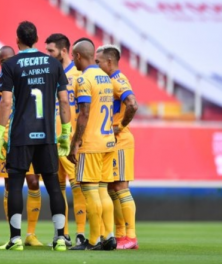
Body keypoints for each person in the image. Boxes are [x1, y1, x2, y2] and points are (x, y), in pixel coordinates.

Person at [0, 21, 71, 251]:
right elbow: (65, 100)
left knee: (16, 186)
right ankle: (60, 238)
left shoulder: (10, 64)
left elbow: (6, 101)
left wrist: (0, 132)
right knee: (54, 187)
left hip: (20, 135)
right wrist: (66, 131)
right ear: (37, 39)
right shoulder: (53, 63)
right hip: (47, 135)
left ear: (17, 39)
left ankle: (16, 239)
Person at [0, 46, 44, 246]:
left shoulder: (27, 75)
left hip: (29, 134)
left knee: (34, 181)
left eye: (10, 59)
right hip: (8, 137)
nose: (7, 62)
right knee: (10, 183)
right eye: (3, 60)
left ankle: (31, 234)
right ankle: (14, 234)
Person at [67, 40, 116, 250]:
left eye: (73, 56)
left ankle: (94, 240)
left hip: (92, 143)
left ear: (78, 56)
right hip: (108, 141)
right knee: (103, 190)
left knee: (89, 190)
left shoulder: (84, 79)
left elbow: (84, 113)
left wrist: (75, 143)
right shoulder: (106, 78)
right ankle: (109, 235)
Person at [45, 33, 87, 247]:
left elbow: (84, 110)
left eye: (51, 51)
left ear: (63, 50)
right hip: (50, 139)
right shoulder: (50, 73)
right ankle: (63, 233)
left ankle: (80, 233)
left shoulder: (79, 75)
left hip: (69, 140)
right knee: (57, 187)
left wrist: (78, 140)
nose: (48, 55)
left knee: (77, 185)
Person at [95, 44, 138, 249]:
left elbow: (132, 103)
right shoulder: (107, 81)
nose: (96, 65)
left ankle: (130, 236)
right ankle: (121, 234)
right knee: (112, 187)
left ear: (109, 62)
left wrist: (119, 126)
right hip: (110, 141)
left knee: (121, 186)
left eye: (98, 61)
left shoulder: (117, 80)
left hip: (120, 140)